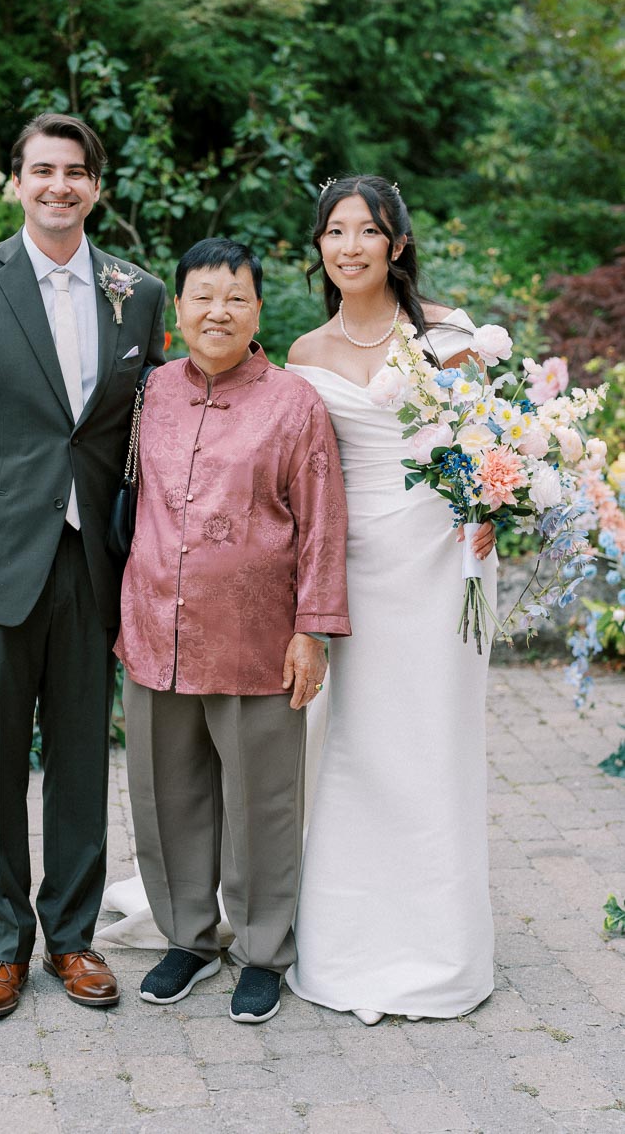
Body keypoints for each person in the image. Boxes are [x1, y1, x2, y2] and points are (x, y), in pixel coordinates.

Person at [0, 112, 166, 1019]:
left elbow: (153, 437)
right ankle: (0, 946)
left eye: (77, 172)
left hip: (95, 563)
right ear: (15, 181)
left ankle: (73, 938)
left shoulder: (142, 294)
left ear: (98, 185)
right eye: (43, 170)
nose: (60, 186)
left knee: (82, 765)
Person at [115, 238, 351, 1024]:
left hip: (257, 638)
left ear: (258, 312)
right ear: (176, 310)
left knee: (261, 805)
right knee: (165, 796)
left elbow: (322, 525)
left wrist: (312, 630)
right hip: (156, 629)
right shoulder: (148, 392)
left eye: (236, 297)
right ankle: (188, 936)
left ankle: (261, 949)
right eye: (202, 296)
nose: (218, 310)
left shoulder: (292, 404)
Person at [285, 175, 496, 1024]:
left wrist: (493, 508)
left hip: (443, 562)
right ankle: (345, 936)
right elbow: (303, 476)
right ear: (321, 249)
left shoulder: (450, 336)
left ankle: (439, 943)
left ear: (396, 244)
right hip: (355, 566)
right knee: (355, 742)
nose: (349, 247)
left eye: (366, 231)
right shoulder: (303, 355)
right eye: (334, 232)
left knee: (432, 742)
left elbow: (494, 441)